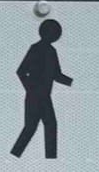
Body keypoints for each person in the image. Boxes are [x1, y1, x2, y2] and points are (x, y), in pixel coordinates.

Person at [12, 18, 72, 158]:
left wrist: (74, 83)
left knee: (50, 126)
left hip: (45, 97)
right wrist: (30, 89)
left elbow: (56, 75)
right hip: (34, 96)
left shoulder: (52, 51)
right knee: (30, 128)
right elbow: (21, 71)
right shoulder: (35, 48)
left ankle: (51, 159)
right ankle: (14, 155)